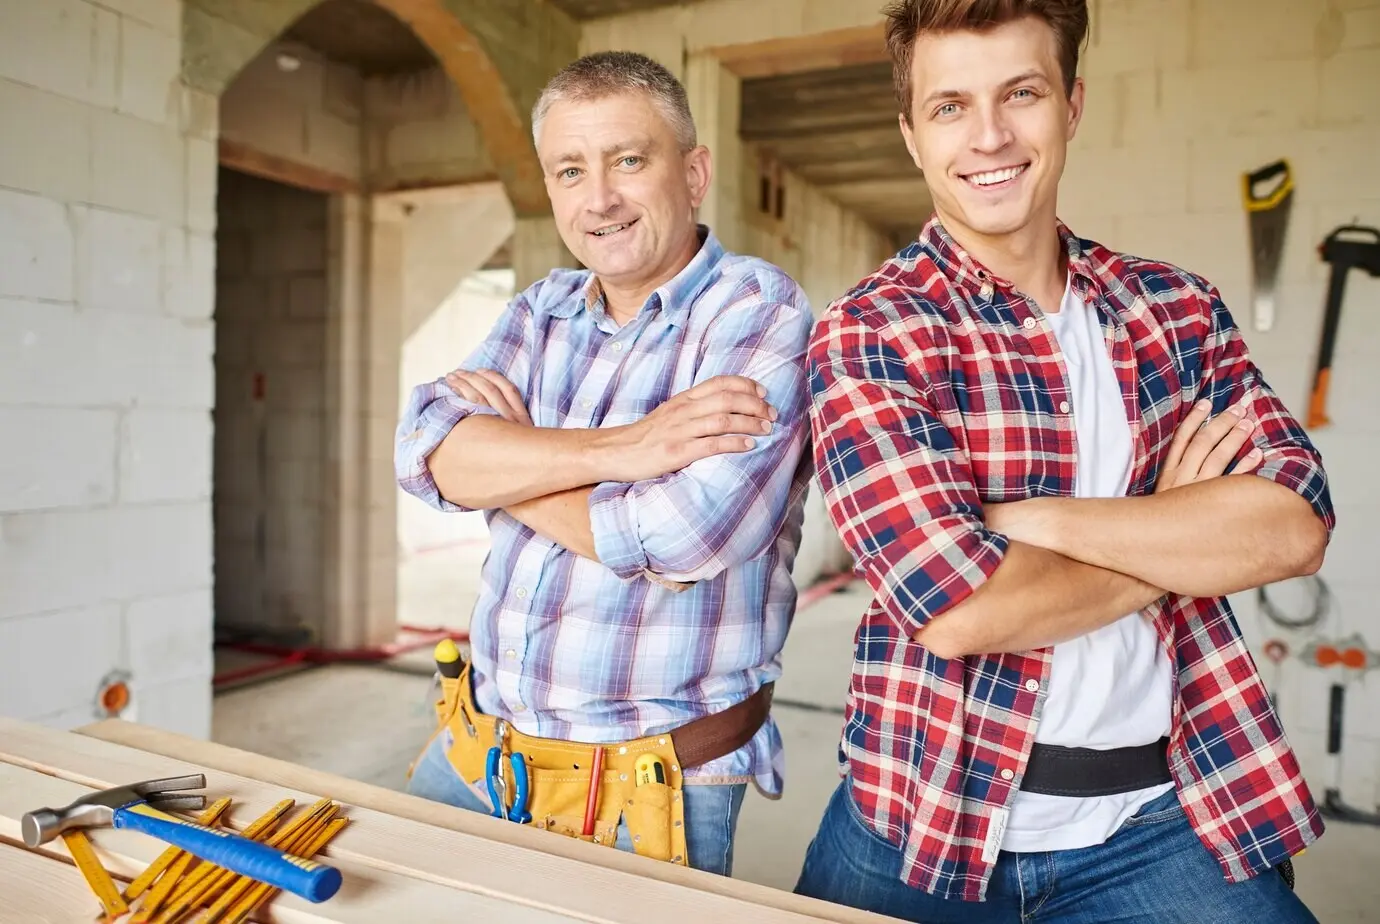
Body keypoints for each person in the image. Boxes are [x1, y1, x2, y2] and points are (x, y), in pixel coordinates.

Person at [792, 1, 1334, 921]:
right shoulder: (873, 331)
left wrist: (1035, 521)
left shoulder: (1178, 312)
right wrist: (1171, 538)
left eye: (1023, 93)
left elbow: (1291, 528)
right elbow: (960, 611)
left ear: (1072, 105)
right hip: (917, 820)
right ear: (912, 136)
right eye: (950, 106)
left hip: (1166, 820)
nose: (990, 135)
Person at [394, 50, 814, 877]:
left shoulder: (760, 315)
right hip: (478, 751)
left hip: (647, 786)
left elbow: (684, 536)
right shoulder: (540, 309)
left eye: (629, 160)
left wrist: (511, 472)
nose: (600, 199)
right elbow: (424, 448)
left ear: (693, 174)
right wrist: (627, 448)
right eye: (570, 170)